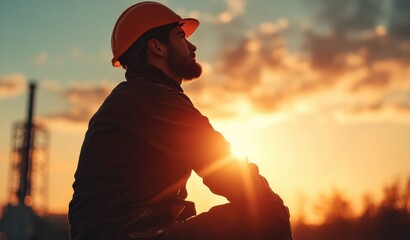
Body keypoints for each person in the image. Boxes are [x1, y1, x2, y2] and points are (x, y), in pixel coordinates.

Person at [68, 2, 293, 240]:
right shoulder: (154, 99)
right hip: (128, 234)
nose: (192, 46)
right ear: (156, 47)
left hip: (121, 231)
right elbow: (221, 165)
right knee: (269, 212)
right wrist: (271, 201)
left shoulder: (135, 97)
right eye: (180, 36)